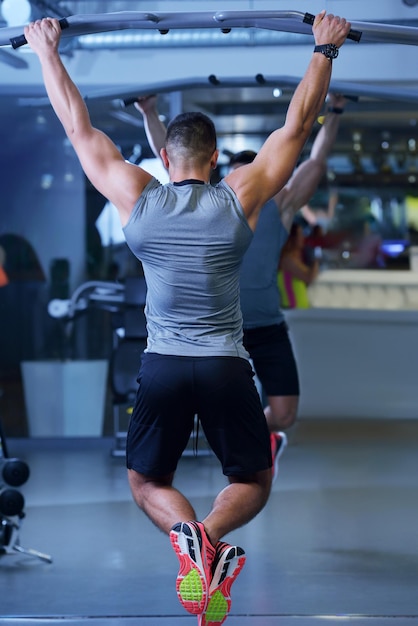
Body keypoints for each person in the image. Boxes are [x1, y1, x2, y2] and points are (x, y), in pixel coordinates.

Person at [25, 13, 350, 626]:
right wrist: (324, 49)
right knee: (253, 480)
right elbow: (298, 125)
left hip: (163, 367)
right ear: (215, 157)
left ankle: (190, 543)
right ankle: (208, 537)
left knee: (147, 483)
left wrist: (47, 52)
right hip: (228, 365)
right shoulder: (238, 198)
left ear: (165, 157)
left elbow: (77, 125)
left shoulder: (138, 199)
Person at [135, 92, 348, 480]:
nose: (239, 181)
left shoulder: (277, 206)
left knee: (284, 414)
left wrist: (333, 112)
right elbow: (174, 158)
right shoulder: (213, 204)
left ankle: (253, 438)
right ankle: (231, 439)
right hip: (217, 337)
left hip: (264, 326)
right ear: (220, 171)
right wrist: (150, 112)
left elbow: (314, 161)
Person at [277, 221, 321, 309]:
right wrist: (315, 259)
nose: (303, 237)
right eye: (300, 234)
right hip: (292, 309)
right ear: (292, 238)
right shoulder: (287, 261)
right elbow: (309, 278)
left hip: (300, 308)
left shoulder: (293, 259)